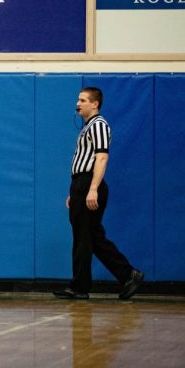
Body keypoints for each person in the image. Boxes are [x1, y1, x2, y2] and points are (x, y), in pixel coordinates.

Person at [54, 87, 144, 301]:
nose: (78, 103)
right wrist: (74, 191)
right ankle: (128, 275)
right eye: (78, 99)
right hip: (80, 185)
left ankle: (81, 286)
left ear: (95, 104)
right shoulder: (87, 127)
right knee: (91, 236)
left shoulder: (99, 125)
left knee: (84, 238)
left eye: (83, 100)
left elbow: (101, 158)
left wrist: (92, 188)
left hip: (88, 184)